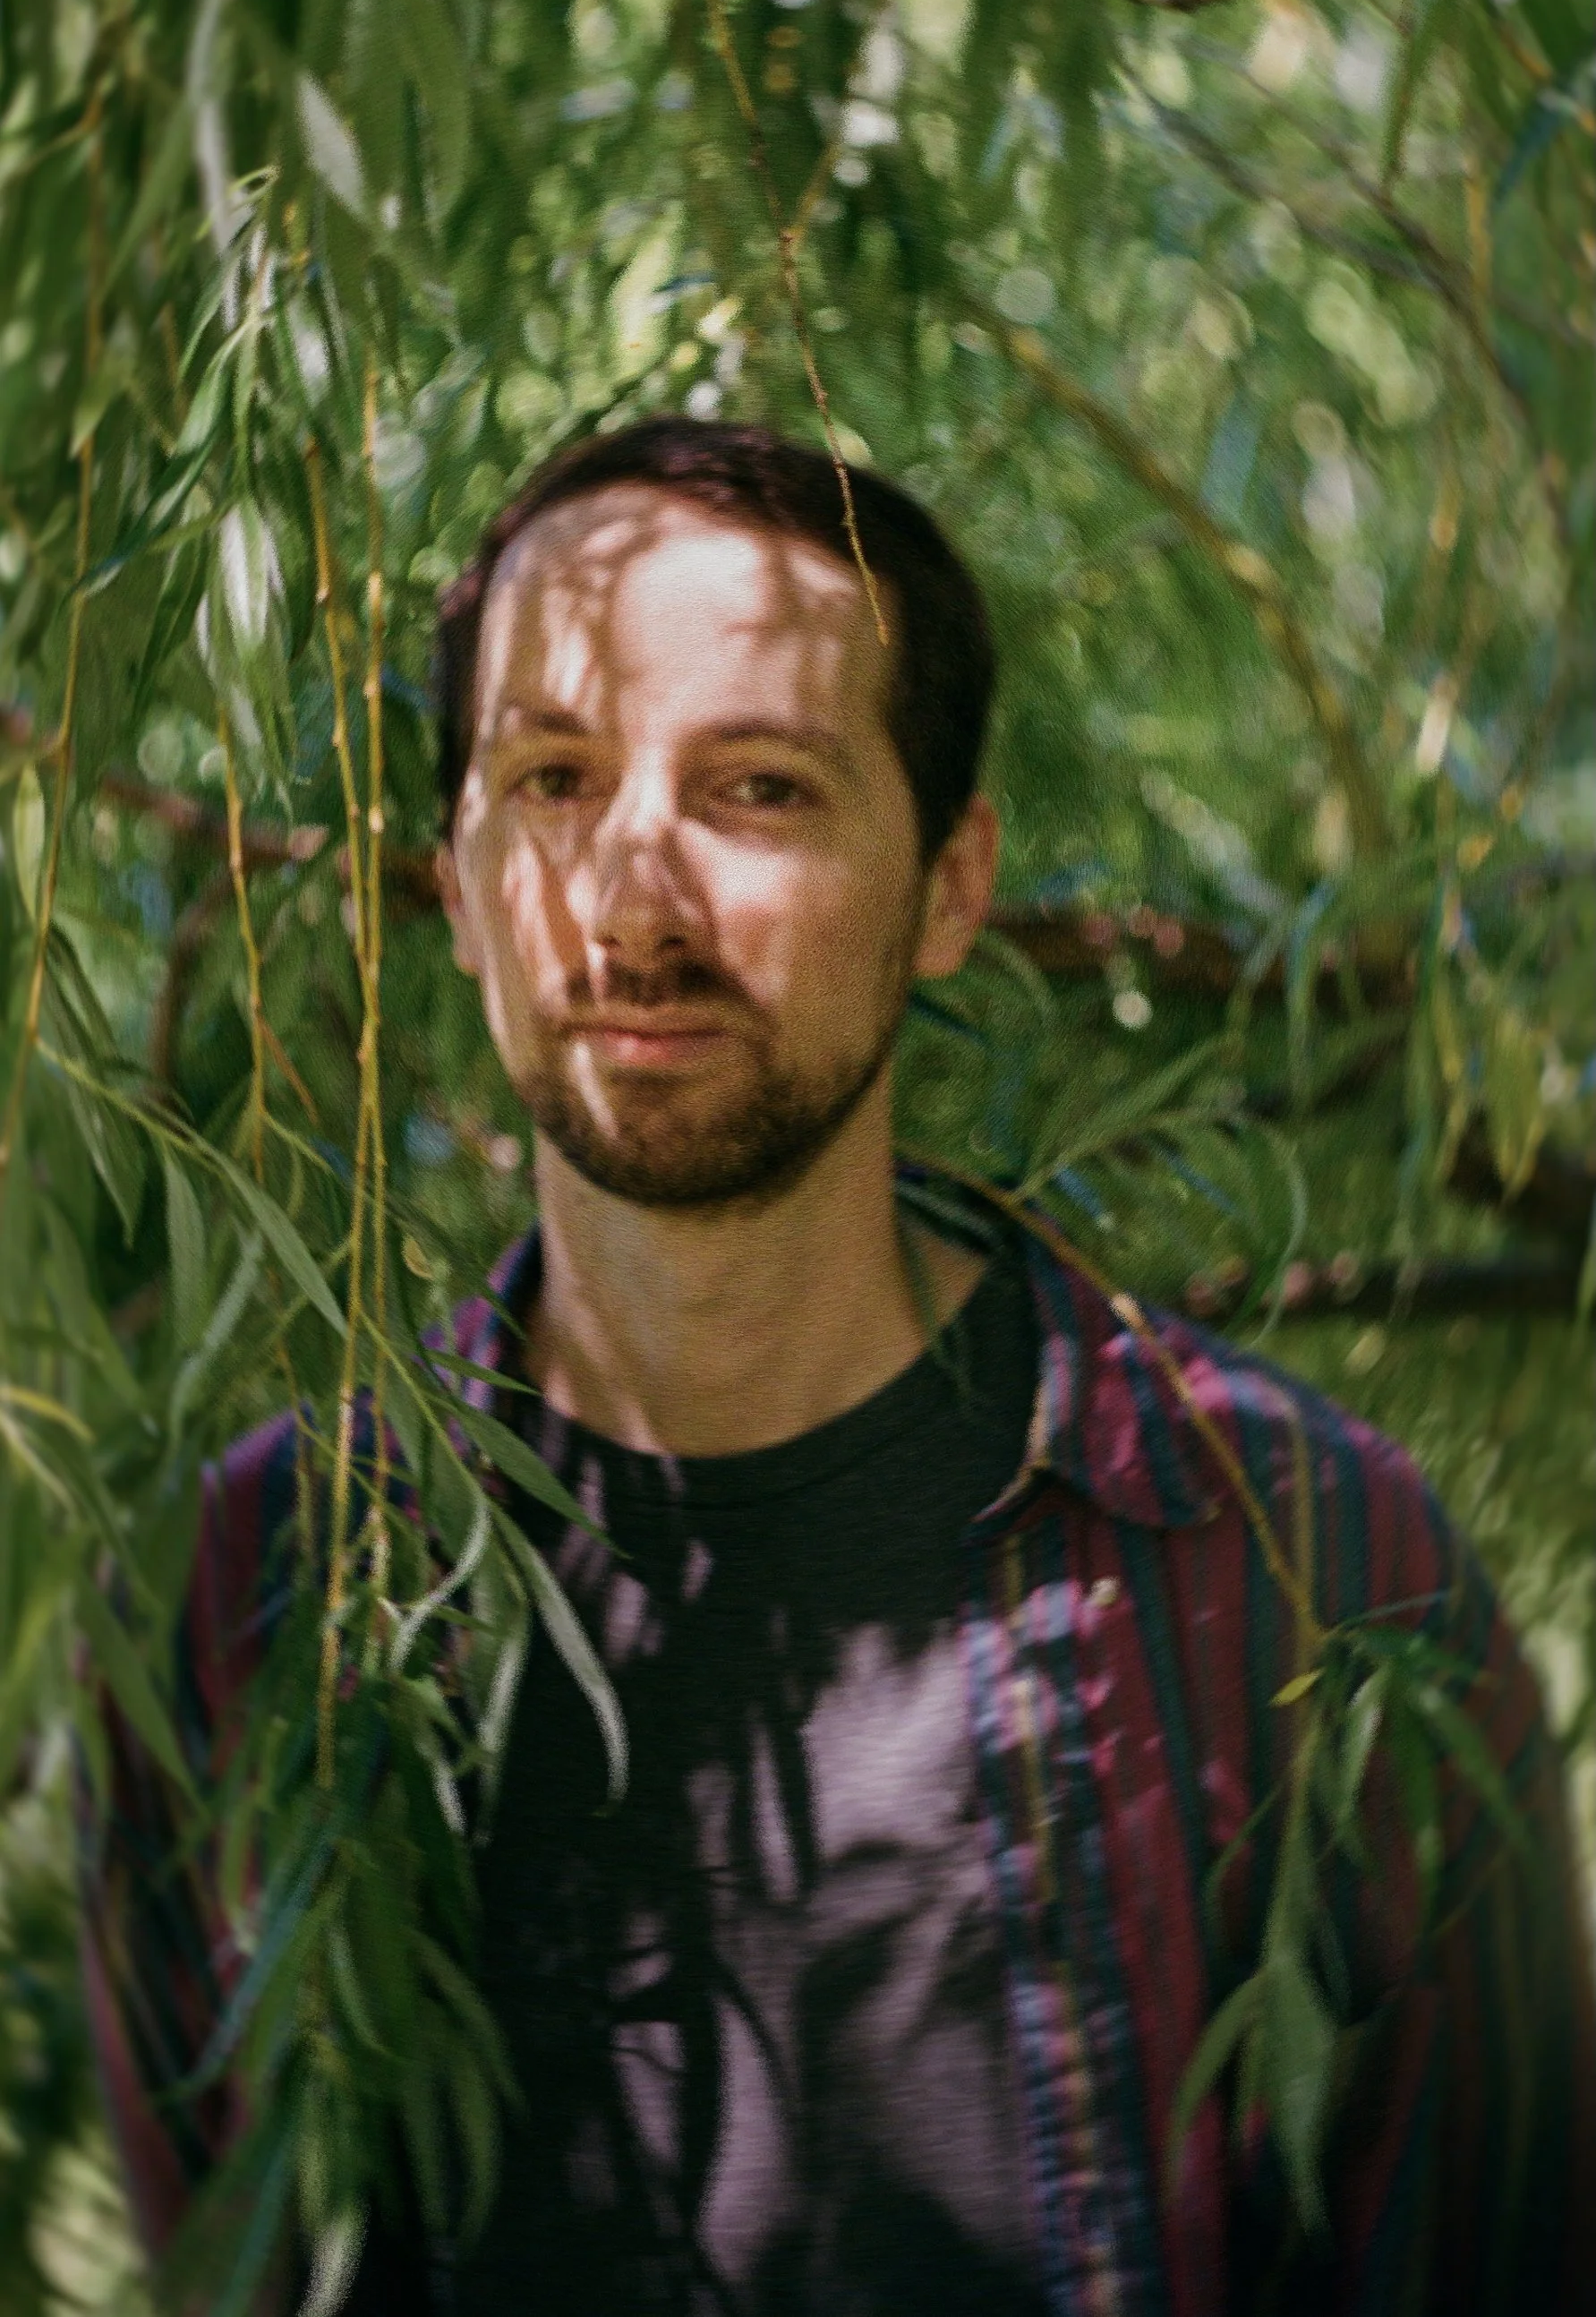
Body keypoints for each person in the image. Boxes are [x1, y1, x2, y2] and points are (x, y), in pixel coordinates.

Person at [85, 419, 1594, 2314]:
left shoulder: (1307, 1576)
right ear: (455, 882)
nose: (635, 897)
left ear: (952, 887)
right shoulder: (243, 1614)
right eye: (553, 776)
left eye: (760, 789)